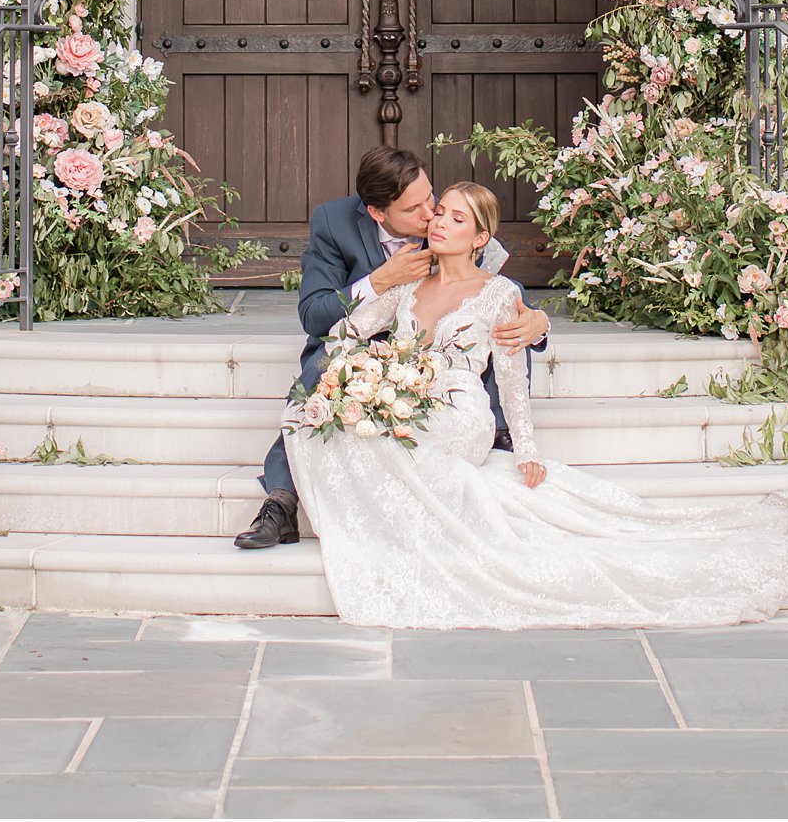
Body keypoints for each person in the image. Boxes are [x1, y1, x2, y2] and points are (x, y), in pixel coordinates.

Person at [281, 180, 788, 628]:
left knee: (388, 441)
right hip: (409, 397)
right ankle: (395, 530)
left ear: (481, 237)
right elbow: (345, 331)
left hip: (460, 411)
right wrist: (357, 377)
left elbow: (512, 381)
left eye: (457, 219)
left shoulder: (500, 293)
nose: (439, 222)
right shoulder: (405, 287)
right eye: (439, 212)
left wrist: (527, 450)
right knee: (330, 424)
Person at [233, 147, 550, 550]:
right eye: (415, 209)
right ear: (378, 213)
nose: (431, 214)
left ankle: (499, 427)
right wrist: (379, 280)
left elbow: (495, 296)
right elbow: (316, 316)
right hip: (374, 344)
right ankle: (282, 499)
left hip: (441, 360)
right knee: (321, 378)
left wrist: (539, 324)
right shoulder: (335, 223)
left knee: (505, 331)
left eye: (431, 198)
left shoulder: (450, 220)